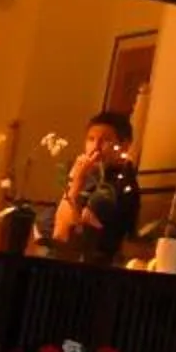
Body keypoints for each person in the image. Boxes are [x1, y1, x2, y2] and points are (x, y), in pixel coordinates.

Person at [51, 110, 142, 265]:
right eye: (91, 139)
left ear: (124, 146)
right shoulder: (90, 176)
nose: (96, 147)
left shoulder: (118, 185)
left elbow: (64, 234)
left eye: (106, 140)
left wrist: (76, 180)